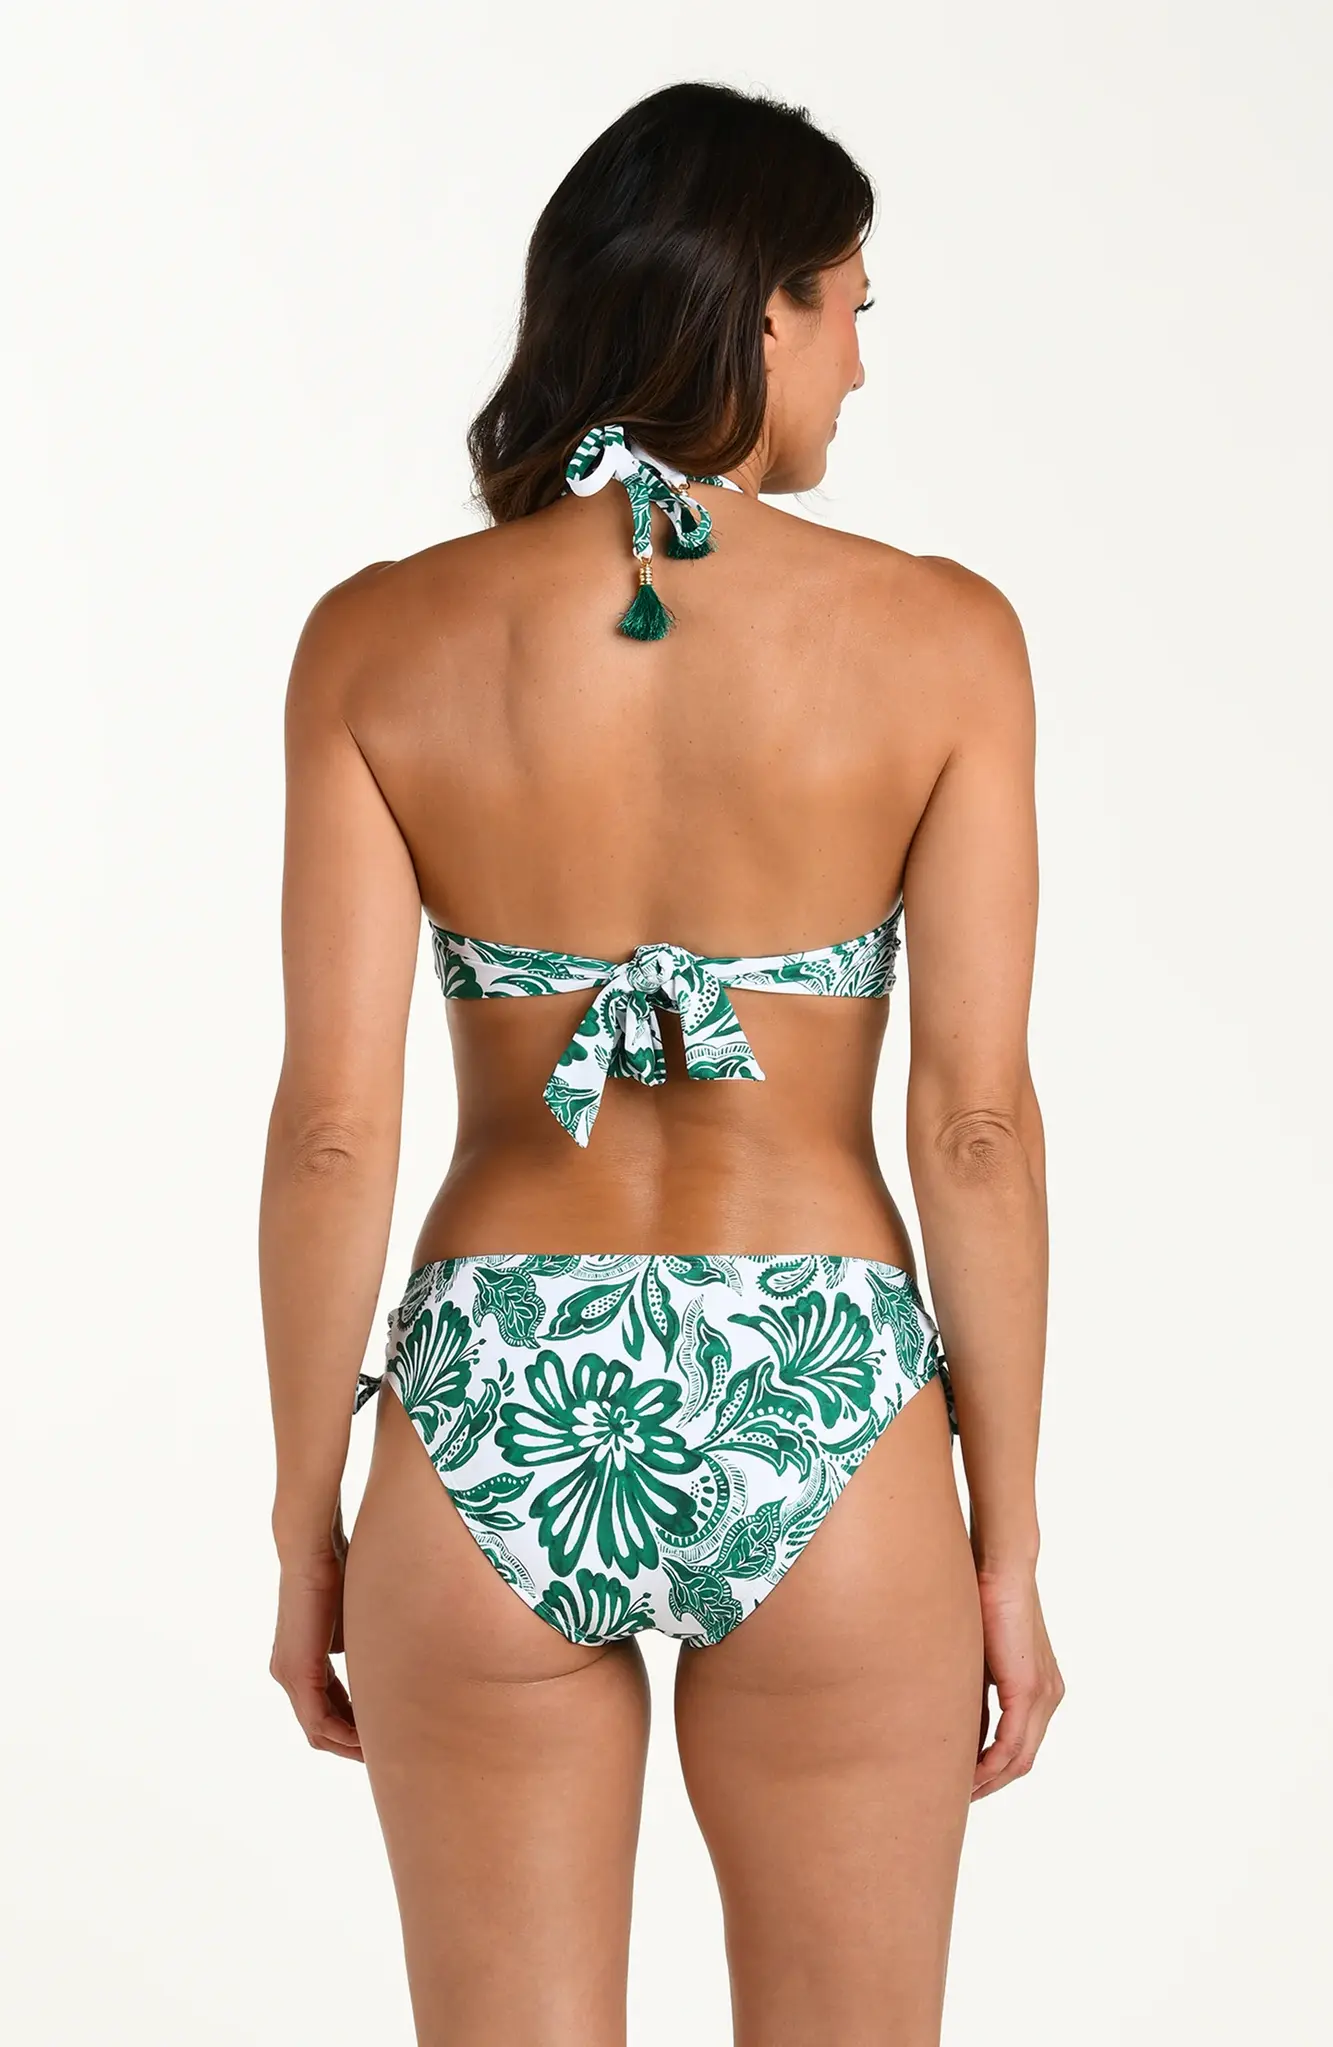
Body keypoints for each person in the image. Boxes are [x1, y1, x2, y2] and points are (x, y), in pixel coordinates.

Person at [260, 79, 1062, 2047]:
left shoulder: (377, 639)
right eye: (849, 309)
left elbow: (335, 1127)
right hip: (822, 1389)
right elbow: (970, 1125)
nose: (860, 365)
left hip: (491, 1394)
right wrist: (1009, 1539)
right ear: (758, 306)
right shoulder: (941, 636)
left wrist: (306, 1520)